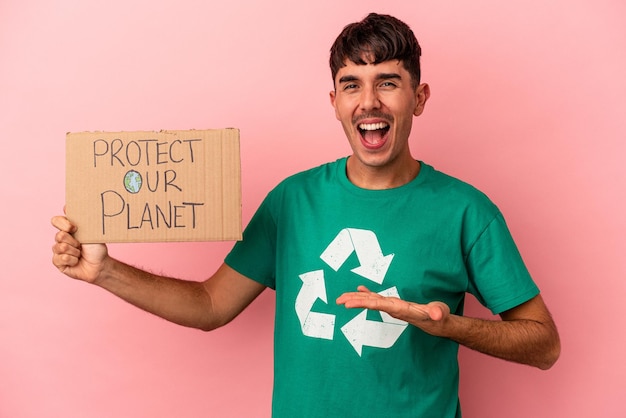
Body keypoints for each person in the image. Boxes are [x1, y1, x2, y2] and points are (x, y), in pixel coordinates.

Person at [52, 12, 560, 418]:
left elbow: (544, 345)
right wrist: (104, 272)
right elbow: (210, 305)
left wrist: (448, 325)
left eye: (387, 82)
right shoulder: (291, 201)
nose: (368, 102)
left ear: (418, 98)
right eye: (351, 84)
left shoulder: (466, 211)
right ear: (334, 100)